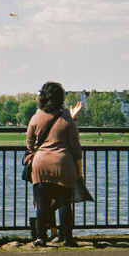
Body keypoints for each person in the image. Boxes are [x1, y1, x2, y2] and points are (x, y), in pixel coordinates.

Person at [26, 82, 82, 247]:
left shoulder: (36, 117)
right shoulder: (67, 118)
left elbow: (29, 145)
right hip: (64, 165)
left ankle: (40, 237)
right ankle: (67, 238)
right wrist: (79, 169)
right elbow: (75, 147)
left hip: (41, 165)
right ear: (61, 98)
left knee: (42, 203)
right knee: (65, 202)